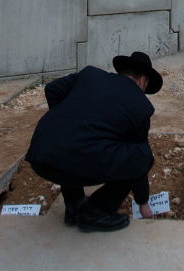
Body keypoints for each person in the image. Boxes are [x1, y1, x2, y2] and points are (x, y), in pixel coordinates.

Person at [25, 51, 162, 232]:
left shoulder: (90, 74)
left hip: (41, 155)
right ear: (143, 81)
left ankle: (74, 207)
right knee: (142, 155)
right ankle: (95, 212)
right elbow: (139, 159)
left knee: (73, 146)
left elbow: (52, 89)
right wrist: (143, 201)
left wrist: (67, 121)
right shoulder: (141, 105)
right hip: (77, 162)